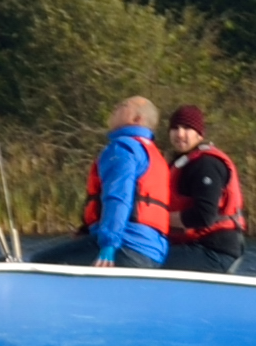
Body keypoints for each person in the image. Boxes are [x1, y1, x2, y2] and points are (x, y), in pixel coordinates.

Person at [63, 95, 174, 266]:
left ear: (136, 119)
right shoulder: (154, 155)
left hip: (123, 246)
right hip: (153, 253)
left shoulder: (123, 148)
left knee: (38, 262)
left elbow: (118, 198)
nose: (115, 108)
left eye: (122, 106)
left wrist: (109, 244)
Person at [162, 105, 245, 270]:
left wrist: (159, 218)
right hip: (192, 245)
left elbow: (204, 216)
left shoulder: (206, 164)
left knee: (146, 261)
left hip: (215, 250)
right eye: (175, 128)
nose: (180, 134)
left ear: (199, 134)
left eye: (187, 128)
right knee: (141, 251)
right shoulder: (180, 163)